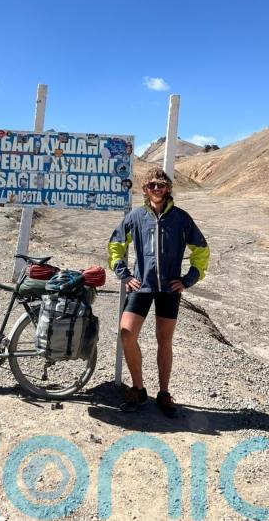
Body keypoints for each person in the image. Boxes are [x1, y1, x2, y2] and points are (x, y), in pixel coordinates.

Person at [108, 167, 209, 417]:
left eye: (161, 185)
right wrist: (125, 274)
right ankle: (139, 389)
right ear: (145, 189)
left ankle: (164, 393)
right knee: (127, 334)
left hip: (169, 290)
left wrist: (189, 279)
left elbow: (202, 250)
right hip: (141, 287)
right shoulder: (135, 217)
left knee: (164, 341)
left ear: (168, 188)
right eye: (151, 185)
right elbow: (115, 245)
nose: (156, 189)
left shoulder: (181, 218)